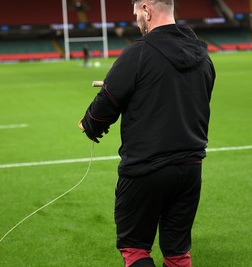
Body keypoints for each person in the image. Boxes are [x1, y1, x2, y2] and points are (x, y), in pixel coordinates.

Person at [78, 0, 215, 266]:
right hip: (190, 168)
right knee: (177, 252)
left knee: (135, 248)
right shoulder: (203, 55)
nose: (136, 20)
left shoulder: (137, 53)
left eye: (136, 14)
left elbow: (105, 104)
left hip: (145, 169)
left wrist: (89, 124)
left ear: (147, 10)